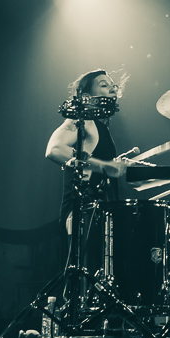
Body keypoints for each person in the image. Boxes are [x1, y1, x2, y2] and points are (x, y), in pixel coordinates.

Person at [45, 69, 128, 268]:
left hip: (101, 212)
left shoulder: (101, 126)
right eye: (103, 85)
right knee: (84, 278)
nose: (111, 89)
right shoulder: (82, 120)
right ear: (86, 96)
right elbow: (54, 149)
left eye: (112, 85)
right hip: (83, 213)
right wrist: (105, 166)